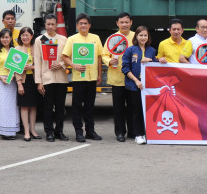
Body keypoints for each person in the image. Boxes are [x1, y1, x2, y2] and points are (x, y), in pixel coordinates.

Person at [62, 13, 103, 142]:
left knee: (90, 106)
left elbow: (99, 57)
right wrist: (74, 65)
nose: (83, 25)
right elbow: (65, 56)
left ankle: (90, 131)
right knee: (77, 106)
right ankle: (79, 132)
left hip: (92, 78)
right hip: (78, 78)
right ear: (77, 26)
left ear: (89, 25)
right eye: (81, 23)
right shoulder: (72, 39)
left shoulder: (95, 38)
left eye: (85, 23)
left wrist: (100, 74)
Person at [34, 14, 69, 142]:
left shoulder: (63, 39)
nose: (50, 27)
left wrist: (61, 64)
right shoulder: (39, 40)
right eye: (48, 24)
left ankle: (59, 131)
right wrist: (39, 82)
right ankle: (49, 132)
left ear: (56, 25)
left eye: (53, 24)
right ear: (45, 25)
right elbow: (37, 61)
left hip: (61, 78)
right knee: (47, 107)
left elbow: (68, 57)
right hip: (47, 78)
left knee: (60, 107)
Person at [102, 12, 135, 141]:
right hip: (117, 79)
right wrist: (109, 61)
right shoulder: (112, 38)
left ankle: (133, 131)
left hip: (133, 79)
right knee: (118, 108)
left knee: (133, 107)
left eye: (127, 22)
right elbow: (104, 55)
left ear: (131, 22)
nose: (124, 24)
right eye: (122, 22)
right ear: (117, 23)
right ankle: (120, 133)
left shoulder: (136, 37)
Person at [122, 26, 157, 144]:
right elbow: (125, 68)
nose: (143, 38)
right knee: (136, 110)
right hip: (134, 85)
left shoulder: (151, 50)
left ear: (148, 37)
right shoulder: (130, 50)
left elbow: (155, 67)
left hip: (147, 86)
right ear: (136, 36)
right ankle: (138, 134)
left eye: (145, 35)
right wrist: (136, 81)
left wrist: (153, 61)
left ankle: (146, 133)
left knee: (146, 110)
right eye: (140, 35)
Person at [0, 28, 20, 140]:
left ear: (11, 38)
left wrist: (15, 75)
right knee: (3, 106)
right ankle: (4, 131)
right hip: (2, 81)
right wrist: (0, 78)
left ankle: (12, 130)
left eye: (7, 37)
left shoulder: (15, 50)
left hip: (12, 81)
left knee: (13, 106)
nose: (4, 39)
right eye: (2, 37)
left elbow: (18, 65)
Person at [16, 27, 40, 142]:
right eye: (23, 35)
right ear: (20, 37)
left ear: (31, 36)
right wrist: (19, 84)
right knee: (24, 106)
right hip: (24, 80)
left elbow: (41, 64)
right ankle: (26, 131)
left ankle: (33, 130)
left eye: (27, 35)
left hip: (35, 80)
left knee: (34, 106)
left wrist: (32, 67)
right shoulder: (17, 49)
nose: (25, 37)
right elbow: (15, 69)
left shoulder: (36, 48)